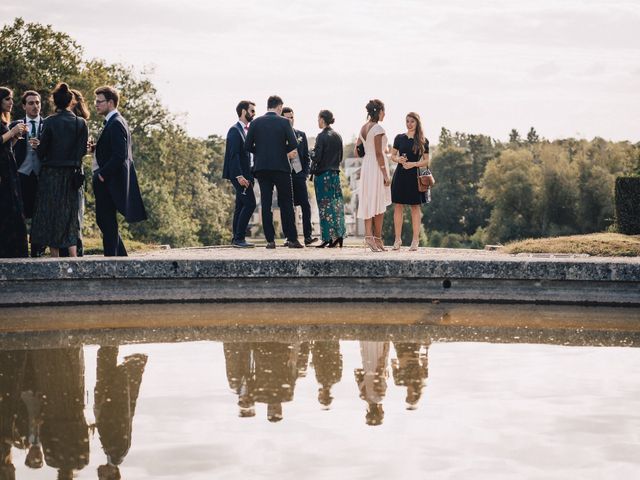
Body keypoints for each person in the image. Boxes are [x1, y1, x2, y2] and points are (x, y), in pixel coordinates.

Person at [31, 83, 88, 257]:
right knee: (70, 216)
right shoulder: (81, 123)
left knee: (51, 215)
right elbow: (82, 151)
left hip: (51, 175)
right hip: (71, 175)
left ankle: (54, 258)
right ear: (71, 101)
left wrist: (36, 147)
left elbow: (42, 153)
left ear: (54, 101)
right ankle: (73, 258)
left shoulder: (49, 121)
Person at [90, 86, 147, 256]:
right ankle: (120, 257)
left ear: (111, 102)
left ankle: (112, 261)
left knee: (106, 221)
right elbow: (113, 150)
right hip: (109, 179)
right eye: (96, 101)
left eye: (99, 102)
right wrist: (97, 149)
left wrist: (101, 174)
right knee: (106, 222)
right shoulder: (115, 121)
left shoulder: (115, 123)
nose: (96, 105)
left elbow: (120, 155)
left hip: (108, 180)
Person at [244, 95, 303, 249]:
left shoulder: (255, 123)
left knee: (266, 203)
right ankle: (292, 238)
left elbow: (248, 146)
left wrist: (262, 152)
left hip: (262, 168)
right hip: (281, 167)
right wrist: (281, 151)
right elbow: (294, 143)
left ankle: (270, 240)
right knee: (286, 203)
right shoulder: (284, 122)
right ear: (279, 107)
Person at [94, 346, 148, 480]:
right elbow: (121, 419)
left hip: (108, 400)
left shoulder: (113, 454)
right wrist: (109, 397)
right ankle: (108, 337)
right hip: (111, 399)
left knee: (105, 362)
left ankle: (109, 339)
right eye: (102, 478)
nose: (99, 476)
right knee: (105, 365)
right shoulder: (118, 453)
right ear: (112, 474)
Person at [10, 91, 44, 257]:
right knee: (20, 213)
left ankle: (37, 249)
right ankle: (21, 249)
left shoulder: (47, 125)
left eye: (37, 103)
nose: (35, 106)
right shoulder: (16, 125)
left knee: (39, 214)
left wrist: (42, 146)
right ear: (24, 106)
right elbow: (8, 150)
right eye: (31, 103)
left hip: (40, 175)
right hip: (21, 174)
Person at [390, 112, 430, 251]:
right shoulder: (399, 138)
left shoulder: (423, 140)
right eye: (407, 121)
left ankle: (415, 240)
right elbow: (392, 156)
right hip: (400, 175)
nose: (409, 124)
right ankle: (397, 239)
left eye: (412, 121)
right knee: (398, 206)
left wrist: (413, 164)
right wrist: (398, 159)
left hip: (415, 176)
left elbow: (426, 160)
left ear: (417, 123)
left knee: (415, 207)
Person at [355, 99, 391, 252]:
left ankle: (369, 237)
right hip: (376, 167)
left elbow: (357, 151)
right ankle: (377, 238)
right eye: (384, 111)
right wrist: (385, 174)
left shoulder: (363, 128)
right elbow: (378, 153)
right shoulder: (378, 128)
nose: (385, 114)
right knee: (379, 202)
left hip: (366, 166)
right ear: (379, 111)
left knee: (369, 200)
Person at [60, 89, 91, 257]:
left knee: (75, 211)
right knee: (70, 212)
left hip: (74, 172)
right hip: (73, 170)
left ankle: (74, 248)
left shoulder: (80, 123)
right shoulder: (63, 121)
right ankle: (71, 248)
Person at [222, 100, 256, 248]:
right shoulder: (235, 130)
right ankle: (239, 238)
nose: (254, 114)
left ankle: (235, 238)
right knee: (250, 204)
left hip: (248, 175)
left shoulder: (246, 130)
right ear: (243, 111)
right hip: (240, 176)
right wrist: (239, 176)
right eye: (252, 111)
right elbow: (233, 155)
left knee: (240, 206)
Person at [0, 87, 30, 258]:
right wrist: (11, 131)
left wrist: (15, 138)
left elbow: (5, 147)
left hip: (9, 170)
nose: (11, 102)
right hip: (2, 174)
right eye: (7, 99)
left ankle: (14, 251)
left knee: (13, 209)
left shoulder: (3, 122)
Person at [282, 107, 317, 246]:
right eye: (286, 118)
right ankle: (289, 237)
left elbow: (307, 157)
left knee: (305, 205)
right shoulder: (279, 136)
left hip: (299, 176)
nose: (290, 120)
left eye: (291, 117)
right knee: (287, 207)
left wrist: (305, 173)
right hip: (285, 176)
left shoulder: (301, 134)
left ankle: (308, 236)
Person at [310, 109, 346, 248]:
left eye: (318, 119)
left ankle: (327, 238)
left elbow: (317, 157)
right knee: (336, 206)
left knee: (324, 207)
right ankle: (338, 236)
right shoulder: (338, 136)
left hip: (323, 176)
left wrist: (311, 151)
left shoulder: (321, 136)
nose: (317, 121)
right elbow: (341, 157)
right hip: (335, 175)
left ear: (322, 119)